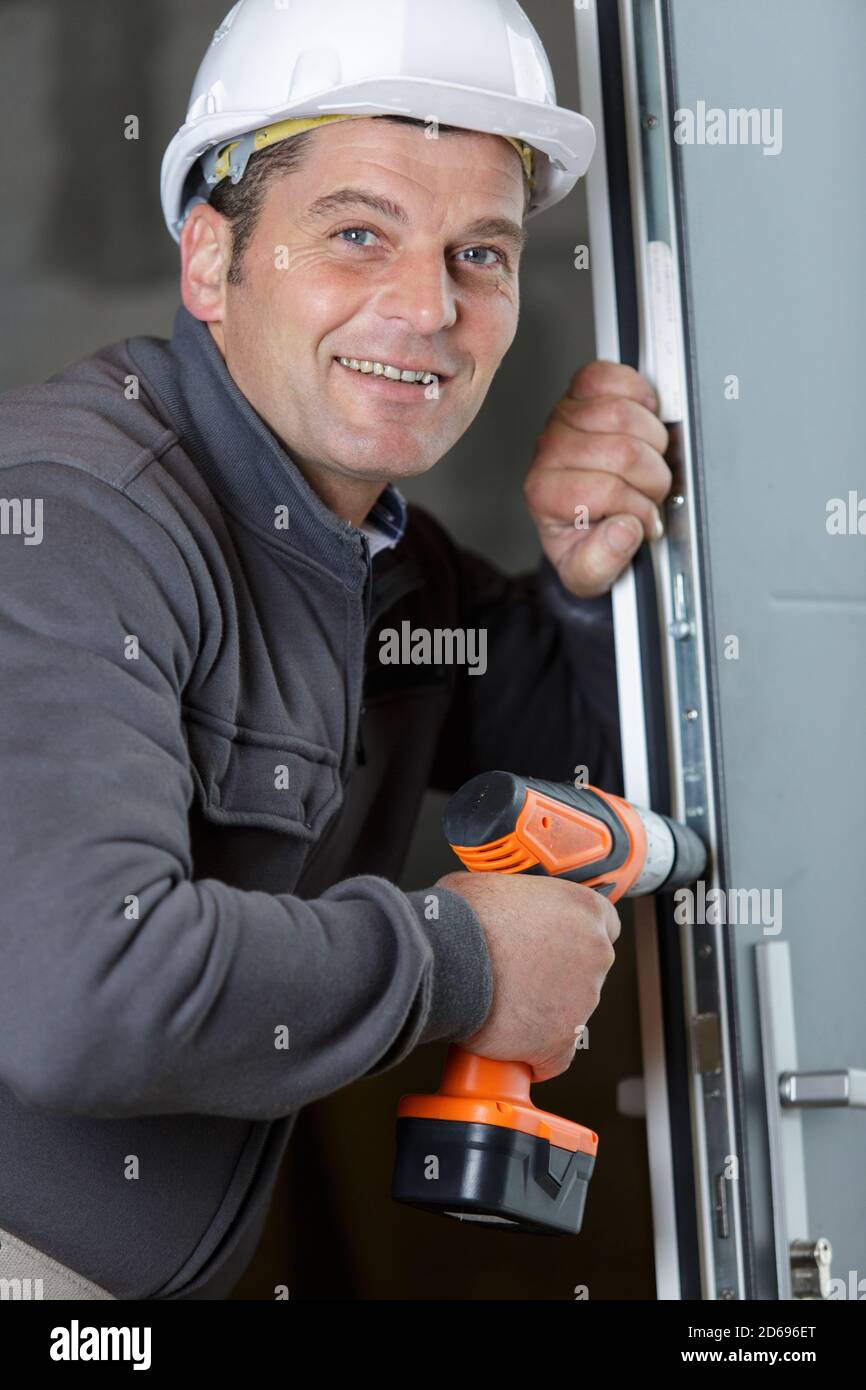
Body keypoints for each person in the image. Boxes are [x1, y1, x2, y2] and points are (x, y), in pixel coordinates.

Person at [0, 0, 670, 1300]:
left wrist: (589, 581)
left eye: (477, 252)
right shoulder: (73, 519)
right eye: (358, 232)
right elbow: (83, 994)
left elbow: (585, 752)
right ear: (211, 260)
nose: (425, 306)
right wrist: (456, 959)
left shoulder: (371, 559)